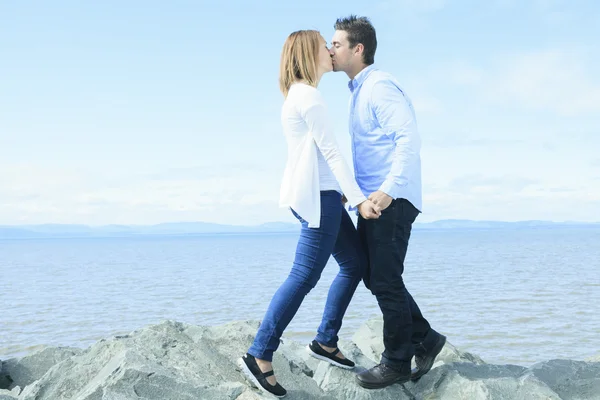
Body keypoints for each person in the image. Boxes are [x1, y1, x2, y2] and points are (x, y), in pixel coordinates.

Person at [237, 29, 381, 398]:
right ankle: (260, 354)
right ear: (309, 54)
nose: (331, 51)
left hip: (323, 197)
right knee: (304, 276)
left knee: (354, 264)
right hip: (321, 200)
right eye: (325, 46)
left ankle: (325, 341)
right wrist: (360, 200)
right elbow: (332, 154)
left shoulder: (299, 95)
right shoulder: (309, 97)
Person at [329, 15, 447, 389]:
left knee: (384, 279)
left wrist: (387, 190)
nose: (331, 50)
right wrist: (357, 192)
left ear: (357, 49)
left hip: (390, 200)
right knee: (374, 276)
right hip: (375, 199)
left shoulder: (379, 87)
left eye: (337, 44)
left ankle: (396, 361)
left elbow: (408, 142)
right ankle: (425, 338)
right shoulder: (358, 91)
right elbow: (373, 150)